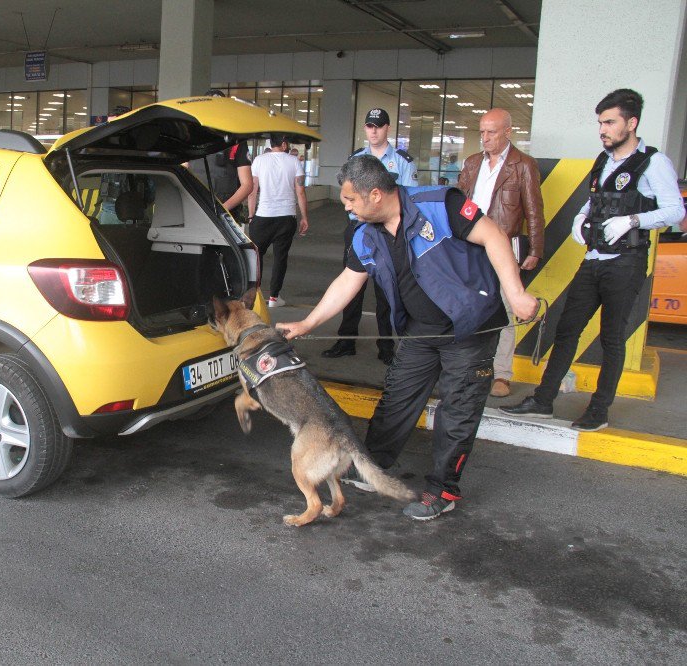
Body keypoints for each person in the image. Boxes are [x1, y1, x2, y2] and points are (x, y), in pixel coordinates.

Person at [277, 154, 538, 520]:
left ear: (377, 195)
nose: (348, 209)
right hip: (421, 330)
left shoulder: (439, 205)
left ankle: (443, 490)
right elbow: (348, 281)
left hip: (470, 326)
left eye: (351, 200)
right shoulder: (366, 235)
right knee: (397, 397)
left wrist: (515, 294)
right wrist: (308, 323)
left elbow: (494, 235)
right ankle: (373, 466)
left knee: (457, 412)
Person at [502, 89, 684, 431]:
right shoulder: (603, 161)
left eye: (610, 122)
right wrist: (580, 218)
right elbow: (594, 200)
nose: (602, 129)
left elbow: (675, 210)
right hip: (594, 259)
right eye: (600, 122)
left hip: (626, 262)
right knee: (567, 329)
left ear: (631, 123)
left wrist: (632, 221)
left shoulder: (653, 162)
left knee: (612, 339)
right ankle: (543, 401)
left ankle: (598, 410)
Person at [457, 108, 546, 398]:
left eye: (491, 132)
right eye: (482, 132)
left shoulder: (523, 165)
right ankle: (468, 367)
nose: (485, 138)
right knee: (469, 308)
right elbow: (457, 203)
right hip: (470, 247)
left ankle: (502, 375)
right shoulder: (472, 164)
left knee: (506, 311)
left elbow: (534, 210)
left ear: (508, 131)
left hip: (506, 248)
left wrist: (536, 248)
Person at [322, 108, 417, 363]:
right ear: (365, 129)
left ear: (387, 128)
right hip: (357, 228)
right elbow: (344, 193)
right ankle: (346, 341)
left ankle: (386, 347)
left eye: (378, 126)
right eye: (369, 126)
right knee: (351, 285)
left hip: (387, 229)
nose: (373, 131)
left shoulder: (402, 161)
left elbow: (408, 197)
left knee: (386, 290)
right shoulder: (355, 161)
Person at [247, 134, 308, 308]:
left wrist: (251, 215)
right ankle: (274, 298)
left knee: (256, 258)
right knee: (281, 258)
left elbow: (252, 191)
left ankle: (255, 296)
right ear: (283, 144)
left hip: (263, 216)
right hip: (286, 217)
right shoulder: (294, 161)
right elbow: (301, 192)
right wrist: (304, 217)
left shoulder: (258, 160)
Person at [188, 89, 253, 223]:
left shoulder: (235, 141)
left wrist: (221, 209)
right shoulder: (190, 138)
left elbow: (247, 185)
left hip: (224, 216)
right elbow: (183, 170)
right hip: (194, 211)